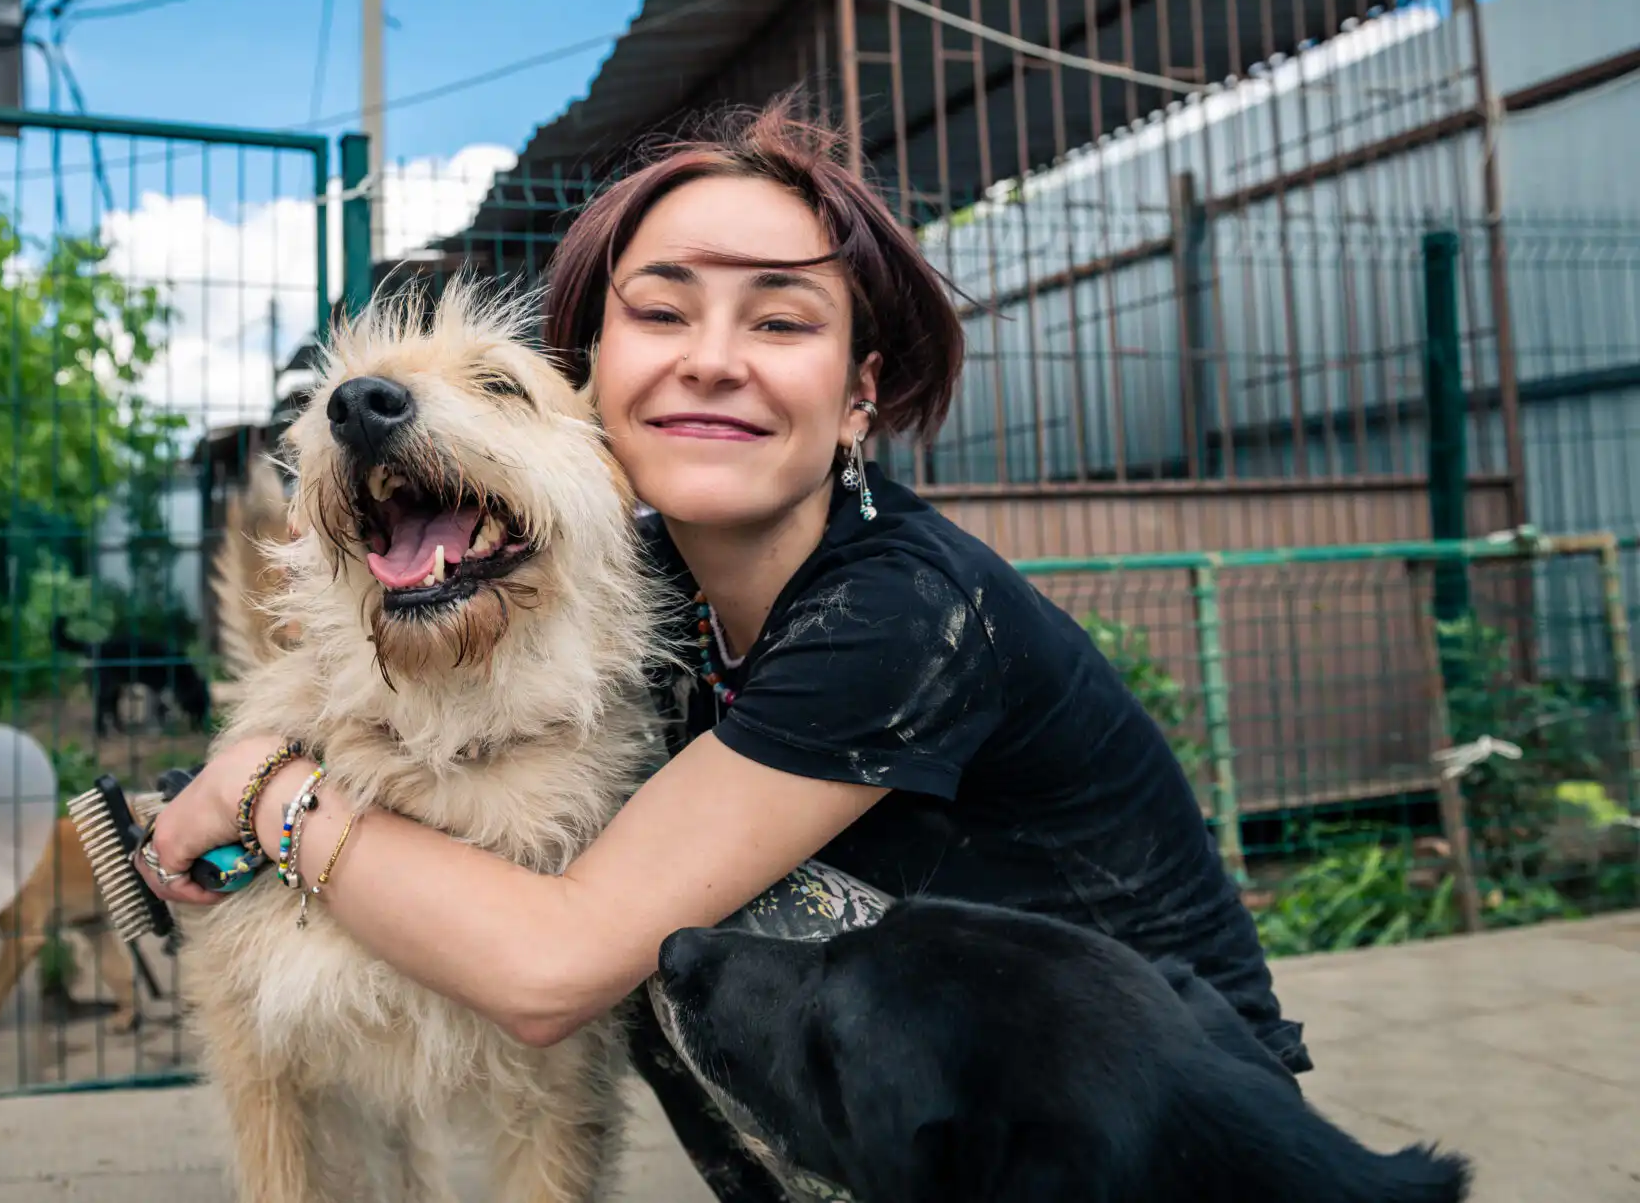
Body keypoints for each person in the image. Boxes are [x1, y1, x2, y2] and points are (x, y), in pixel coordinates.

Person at [140, 101, 1307, 1201]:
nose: (710, 356)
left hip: (1144, 1154)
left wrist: (260, 789)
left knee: (641, 917)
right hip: (948, 1127)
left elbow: (551, 966)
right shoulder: (632, 590)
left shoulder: (900, 614)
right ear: (595, 387)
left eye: (782, 318)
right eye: (660, 310)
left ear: (859, 396)